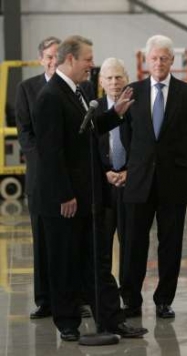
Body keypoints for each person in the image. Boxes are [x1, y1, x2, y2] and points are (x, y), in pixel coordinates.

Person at [32, 35, 147, 341]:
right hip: (65, 199)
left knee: (96, 260)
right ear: (70, 59)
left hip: (87, 196)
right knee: (65, 262)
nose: (91, 65)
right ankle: (67, 323)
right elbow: (50, 152)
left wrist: (115, 114)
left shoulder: (78, 91)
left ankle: (111, 320)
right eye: (87, 59)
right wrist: (64, 195)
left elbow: (88, 129)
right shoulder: (49, 97)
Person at [120, 35, 187, 319]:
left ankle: (163, 300)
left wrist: (181, 164)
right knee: (134, 242)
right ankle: (131, 300)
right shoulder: (132, 92)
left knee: (171, 243)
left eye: (164, 58)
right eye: (154, 58)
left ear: (172, 60)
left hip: (174, 180)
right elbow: (126, 135)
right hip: (140, 180)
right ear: (147, 60)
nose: (159, 63)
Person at [15, 36, 60, 320]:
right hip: (41, 177)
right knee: (42, 239)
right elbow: (25, 132)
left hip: (71, 176)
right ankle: (44, 300)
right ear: (41, 59)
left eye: (59, 56)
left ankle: (76, 296)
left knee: (72, 241)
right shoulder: (27, 88)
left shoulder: (77, 87)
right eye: (50, 56)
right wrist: (45, 163)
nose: (54, 61)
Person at [96, 58, 130, 283]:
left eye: (119, 77)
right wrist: (104, 172)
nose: (114, 82)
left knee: (130, 244)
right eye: (109, 78)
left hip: (130, 184)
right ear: (101, 81)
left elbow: (143, 145)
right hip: (103, 185)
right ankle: (104, 293)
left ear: (126, 79)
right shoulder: (93, 108)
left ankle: (129, 295)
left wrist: (130, 171)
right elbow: (87, 147)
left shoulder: (136, 107)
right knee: (102, 245)